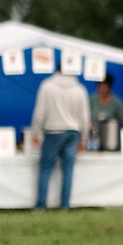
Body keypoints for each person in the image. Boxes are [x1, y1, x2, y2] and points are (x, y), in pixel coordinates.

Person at [30, 65, 92, 209]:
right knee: (68, 170)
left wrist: (35, 133)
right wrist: (84, 138)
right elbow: (85, 117)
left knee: (45, 169)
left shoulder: (47, 86)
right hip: (73, 133)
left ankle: (41, 205)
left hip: (53, 131)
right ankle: (65, 205)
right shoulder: (80, 89)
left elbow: (39, 112)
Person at [88, 75, 123, 152]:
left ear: (109, 87)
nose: (102, 88)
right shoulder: (91, 100)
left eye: (104, 86)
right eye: (100, 86)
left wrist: (122, 122)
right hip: (93, 142)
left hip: (111, 142)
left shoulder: (116, 102)